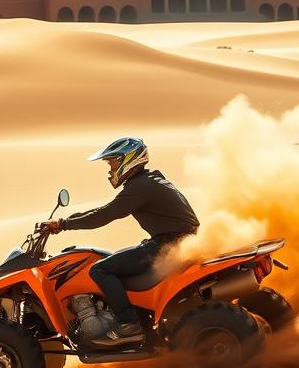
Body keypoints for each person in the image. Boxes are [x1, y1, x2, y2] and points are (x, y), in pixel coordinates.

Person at [40, 137, 200, 346]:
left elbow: (104, 215)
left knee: (100, 269)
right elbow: (102, 211)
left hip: (168, 245)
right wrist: (63, 222)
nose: (110, 170)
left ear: (128, 159)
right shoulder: (150, 180)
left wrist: (64, 225)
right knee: (112, 259)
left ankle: (129, 325)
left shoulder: (139, 187)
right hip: (176, 242)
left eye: (112, 162)